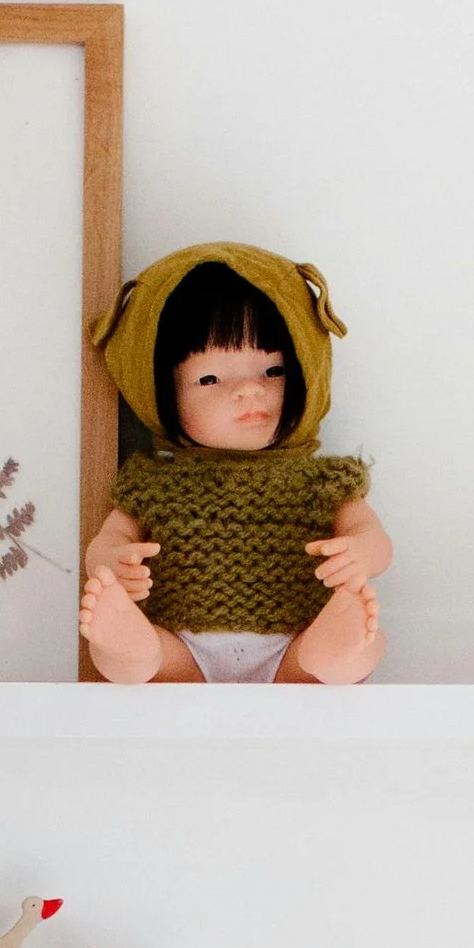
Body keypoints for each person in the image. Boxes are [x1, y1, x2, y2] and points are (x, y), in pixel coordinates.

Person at [80, 246, 391, 686]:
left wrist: (362, 553)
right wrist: (111, 560)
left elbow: (374, 538)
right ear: (159, 392)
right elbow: (110, 538)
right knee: (137, 660)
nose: (249, 390)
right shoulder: (154, 484)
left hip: (293, 646)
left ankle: (334, 650)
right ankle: (129, 648)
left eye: (273, 370)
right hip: (185, 647)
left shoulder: (324, 481)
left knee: (365, 649)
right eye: (209, 379)